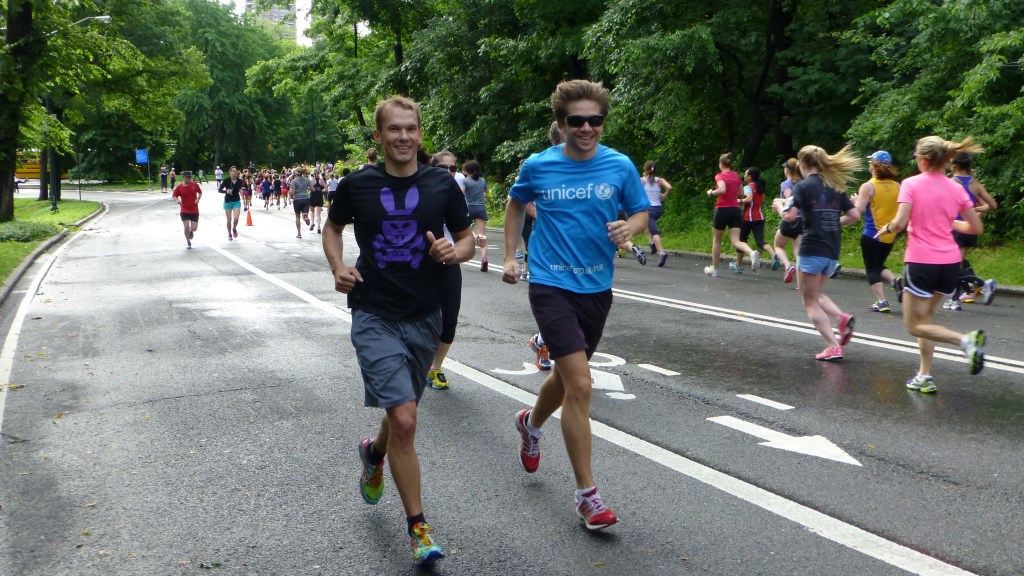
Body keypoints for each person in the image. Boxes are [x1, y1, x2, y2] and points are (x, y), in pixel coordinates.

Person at [323, 96, 474, 566]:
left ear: (421, 134)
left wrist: (455, 252)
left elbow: (467, 238)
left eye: (411, 129)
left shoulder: (441, 185)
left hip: (424, 314)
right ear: (379, 136)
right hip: (373, 312)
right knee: (406, 420)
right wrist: (337, 266)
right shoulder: (357, 185)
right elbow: (332, 228)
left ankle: (374, 453)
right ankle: (419, 528)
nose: (403, 137)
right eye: (394, 130)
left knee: (399, 413)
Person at [503, 79, 649, 532]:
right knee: (581, 385)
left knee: (565, 380)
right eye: (577, 121)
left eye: (595, 121)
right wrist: (510, 255)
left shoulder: (619, 165)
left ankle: (530, 422)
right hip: (550, 283)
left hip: (596, 286)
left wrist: (632, 228)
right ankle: (588, 497)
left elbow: (641, 212)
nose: (586, 128)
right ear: (562, 123)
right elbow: (514, 205)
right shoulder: (539, 165)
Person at [876, 136, 987, 393]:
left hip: (921, 261)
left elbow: (901, 222)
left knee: (913, 325)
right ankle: (925, 374)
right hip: (950, 264)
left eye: (916, 157)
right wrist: (947, 222)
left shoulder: (911, 184)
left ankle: (965, 341)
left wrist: (889, 227)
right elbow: (975, 227)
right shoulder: (956, 187)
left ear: (924, 160)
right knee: (926, 319)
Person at [772, 145, 860, 361]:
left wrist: (780, 207)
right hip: (832, 250)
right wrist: (832, 221)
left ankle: (833, 345)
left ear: (802, 165)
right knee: (815, 294)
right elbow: (855, 215)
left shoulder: (802, 187)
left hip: (811, 248)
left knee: (809, 300)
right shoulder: (835, 185)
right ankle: (841, 317)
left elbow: (790, 216)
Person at [424, 150, 467, 391]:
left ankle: (435, 367)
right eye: (443, 168)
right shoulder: (423, 194)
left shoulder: (457, 196)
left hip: (450, 263)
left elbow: (464, 235)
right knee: (421, 317)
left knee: (449, 320)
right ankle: (416, 359)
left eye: (453, 168)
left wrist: (472, 242)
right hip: (423, 264)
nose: (449, 173)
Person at [945, 152, 998, 310]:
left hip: (954, 228)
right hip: (969, 229)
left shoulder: (950, 183)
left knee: (952, 266)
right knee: (956, 264)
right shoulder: (975, 184)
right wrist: (977, 213)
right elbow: (992, 205)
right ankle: (957, 297)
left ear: (954, 166)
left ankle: (979, 285)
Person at [854, 151, 901, 313]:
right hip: (890, 235)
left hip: (871, 234)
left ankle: (882, 301)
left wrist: (854, 202)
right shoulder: (897, 186)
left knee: (872, 269)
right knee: (879, 265)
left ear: (874, 165)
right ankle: (895, 281)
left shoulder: (868, 186)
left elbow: (858, 211)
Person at [704, 153, 760, 276]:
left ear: (720, 164)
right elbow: (741, 193)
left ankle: (715, 269)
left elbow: (722, 189)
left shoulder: (719, 176)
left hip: (722, 210)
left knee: (717, 240)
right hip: (735, 210)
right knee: (736, 240)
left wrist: (711, 193)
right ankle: (751, 253)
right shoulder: (736, 176)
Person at [736, 167, 772, 271]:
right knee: (760, 241)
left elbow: (749, 199)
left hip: (748, 218)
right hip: (760, 217)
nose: (744, 176)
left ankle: (738, 266)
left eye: (746, 174)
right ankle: (773, 254)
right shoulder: (760, 186)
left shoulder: (748, 187)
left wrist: (739, 201)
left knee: (741, 241)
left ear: (750, 177)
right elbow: (763, 200)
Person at [773, 158, 803, 283]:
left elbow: (790, 200)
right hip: (804, 220)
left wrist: (779, 205)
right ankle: (801, 283)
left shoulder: (786, 184)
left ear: (788, 170)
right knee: (798, 252)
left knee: (778, 245)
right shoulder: (804, 182)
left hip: (791, 220)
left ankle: (787, 265)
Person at [640, 160, 672, 267]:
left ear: (645, 169)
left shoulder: (642, 181)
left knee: (654, 232)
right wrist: (665, 195)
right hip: (658, 208)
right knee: (646, 225)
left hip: (648, 209)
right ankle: (651, 243)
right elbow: (669, 187)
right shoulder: (660, 180)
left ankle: (661, 252)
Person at [462, 160, 490, 271]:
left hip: (469, 208)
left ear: (467, 170)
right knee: (482, 235)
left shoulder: (465, 181)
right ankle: (484, 258)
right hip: (481, 208)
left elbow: (460, 192)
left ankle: (474, 237)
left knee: (465, 228)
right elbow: (488, 193)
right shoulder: (482, 181)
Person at [171, 171, 202, 249]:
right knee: (186, 227)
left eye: (189, 177)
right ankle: (188, 242)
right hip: (184, 209)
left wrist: (198, 198)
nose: (188, 179)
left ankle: (191, 231)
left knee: (194, 228)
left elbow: (200, 192)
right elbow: (174, 195)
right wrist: (177, 200)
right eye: (187, 177)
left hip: (194, 209)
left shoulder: (195, 185)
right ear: (183, 177)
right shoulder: (180, 187)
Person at [218, 166, 244, 241]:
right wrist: (226, 191)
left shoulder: (239, 181)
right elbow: (219, 190)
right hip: (228, 201)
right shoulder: (226, 180)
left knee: (236, 218)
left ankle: (234, 227)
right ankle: (229, 234)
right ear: (230, 172)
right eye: (233, 171)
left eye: (235, 171)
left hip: (236, 201)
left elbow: (239, 188)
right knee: (229, 220)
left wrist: (240, 190)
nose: (234, 172)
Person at [289, 166, 313, 239]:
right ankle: (305, 217)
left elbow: (292, 192)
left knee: (297, 217)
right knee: (305, 213)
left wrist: (291, 191)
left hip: (297, 199)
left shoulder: (294, 181)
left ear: (296, 173)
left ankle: (299, 233)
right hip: (306, 198)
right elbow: (312, 189)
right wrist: (306, 188)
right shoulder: (307, 180)